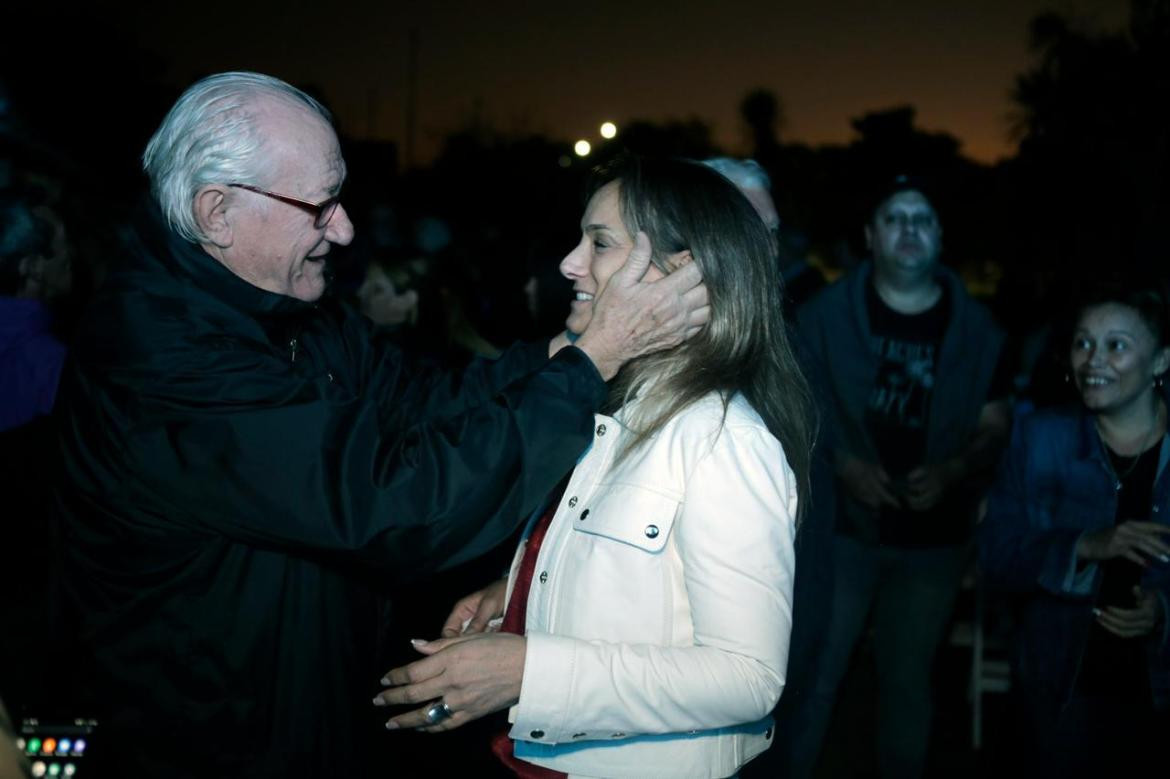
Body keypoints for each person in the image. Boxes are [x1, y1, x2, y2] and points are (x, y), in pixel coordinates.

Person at [53, 72, 708, 778]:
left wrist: (564, 355)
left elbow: (425, 402)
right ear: (217, 213)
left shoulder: (292, 311)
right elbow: (393, 499)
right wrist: (592, 359)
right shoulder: (158, 356)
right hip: (209, 744)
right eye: (320, 205)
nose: (345, 227)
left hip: (304, 717)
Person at [375, 155, 814, 778]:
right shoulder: (609, 404)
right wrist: (525, 592)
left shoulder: (723, 439)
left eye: (599, 243)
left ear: (679, 276)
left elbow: (748, 677)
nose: (569, 263)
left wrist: (529, 670)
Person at [790, 175, 1009, 777]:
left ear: (940, 237)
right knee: (818, 671)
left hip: (934, 537)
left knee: (908, 679)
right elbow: (790, 408)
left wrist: (954, 469)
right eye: (895, 218)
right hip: (841, 529)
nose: (910, 229)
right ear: (870, 237)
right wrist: (842, 463)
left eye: (923, 218)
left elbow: (995, 423)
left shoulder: (980, 331)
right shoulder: (821, 318)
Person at [979, 279, 1170, 775]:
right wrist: (1084, 544)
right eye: (1083, 342)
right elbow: (996, 554)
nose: (1093, 360)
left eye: (1117, 346)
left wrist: (1162, 611)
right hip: (1060, 684)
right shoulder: (1042, 439)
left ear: (1161, 362)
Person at [700, 157, 823, 318]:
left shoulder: (788, 316)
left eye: (772, 231)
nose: (772, 250)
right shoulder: (671, 324)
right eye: (751, 232)